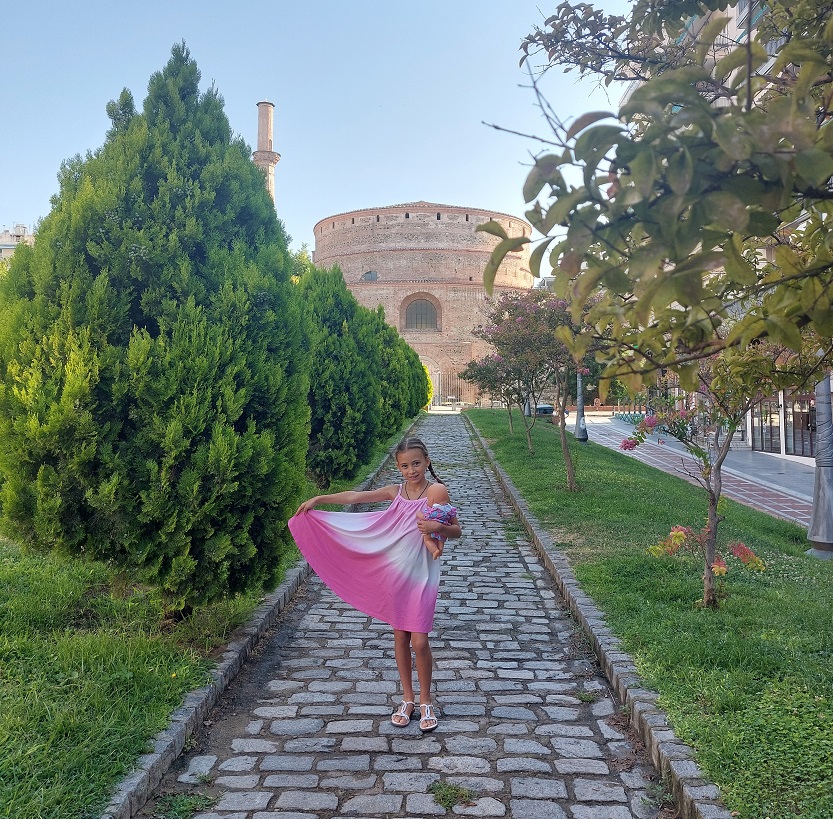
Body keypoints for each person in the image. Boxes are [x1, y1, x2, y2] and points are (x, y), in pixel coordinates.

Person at [289, 437, 461, 733]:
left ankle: (426, 701)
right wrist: (320, 499)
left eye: (417, 463)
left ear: (427, 461)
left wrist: (437, 528)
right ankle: (407, 699)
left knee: (419, 641)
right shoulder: (396, 492)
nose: (411, 470)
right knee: (400, 638)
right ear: (398, 467)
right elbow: (356, 497)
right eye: (405, 465)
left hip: (422, 575)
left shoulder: (436, 491)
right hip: (395, 573)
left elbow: (455, 530)